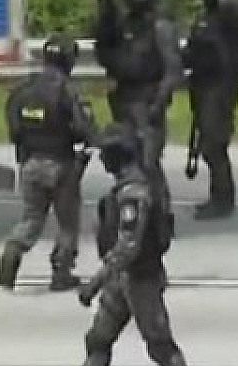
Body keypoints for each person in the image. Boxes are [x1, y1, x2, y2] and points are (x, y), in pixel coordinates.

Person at [77, 123, 186, 366]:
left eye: (106, 153)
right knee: (98, 340)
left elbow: (129, 245)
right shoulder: (125, 186)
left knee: (160, 346)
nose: (102, 159)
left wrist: (95, 283)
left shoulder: (134, 193)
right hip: (121, 277)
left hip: (141, 279)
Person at [0, 33, 97, 291]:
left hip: (30, 164)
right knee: (67, 223)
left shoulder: (23, 89)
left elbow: (13, 129)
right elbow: (84, 128)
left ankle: (12, 252)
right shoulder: (68, 91)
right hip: (60, 165)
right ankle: (61, 273)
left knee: (31, 218)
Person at [94, 0, 184, 209]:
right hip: (123, 100)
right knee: (122, 157)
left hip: (147, 102)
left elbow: (173, 71)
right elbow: (105, 54)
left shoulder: (161, 28)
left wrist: (158, 104)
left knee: (148, 162)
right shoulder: (123, 26)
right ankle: (132, 208)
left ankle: (161, 214)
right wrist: (105, 15)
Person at [183, 0, 238, 220]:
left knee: (214, 143)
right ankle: (218, 195)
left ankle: (223, 199)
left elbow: (230, 10)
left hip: (220, 88)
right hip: (203, 86)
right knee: (208, 142)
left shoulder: (230, 19)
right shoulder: (205, 19)